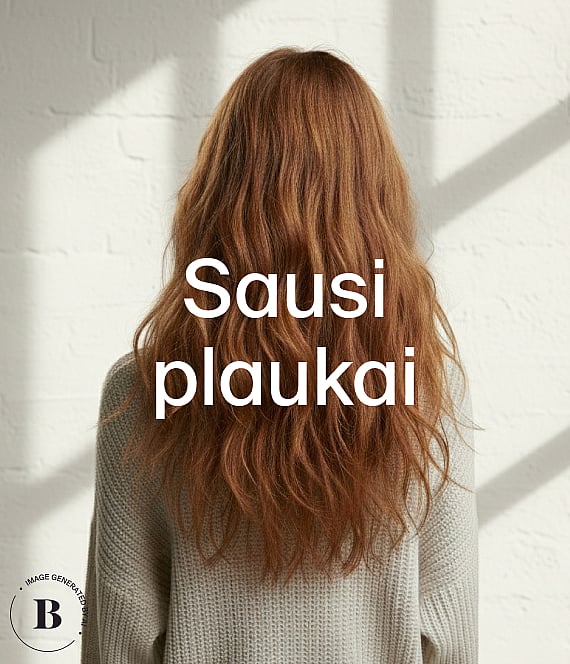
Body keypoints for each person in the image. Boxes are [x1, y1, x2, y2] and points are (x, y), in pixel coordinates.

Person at [81, 46, 478, 663]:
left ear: (218, 196)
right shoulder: (424, 385)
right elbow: (449, 640)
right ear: (376, 202)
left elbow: (120, 641)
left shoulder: (142, 389)